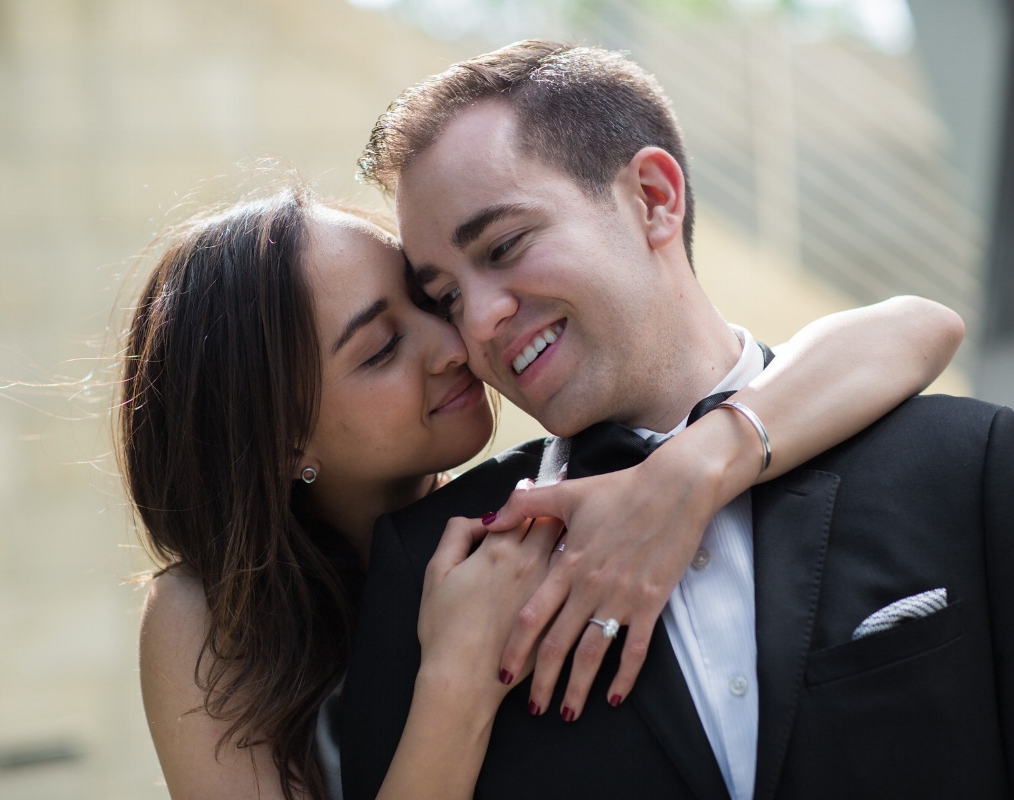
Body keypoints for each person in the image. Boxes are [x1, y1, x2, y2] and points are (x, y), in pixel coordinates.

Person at [339, 41, 1013, 800]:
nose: (482, 322)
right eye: (447, 297)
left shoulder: (966, 461)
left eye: (504, 245)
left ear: (655, 199)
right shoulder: (434, 573)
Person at [124, 190, 960, 800]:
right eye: (380, 350)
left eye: (431, 301)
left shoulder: (529, 503)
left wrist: (693, 468)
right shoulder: (206, 616)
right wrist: (458, 673)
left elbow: (917, 326)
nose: (458, 342)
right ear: (278, 441)